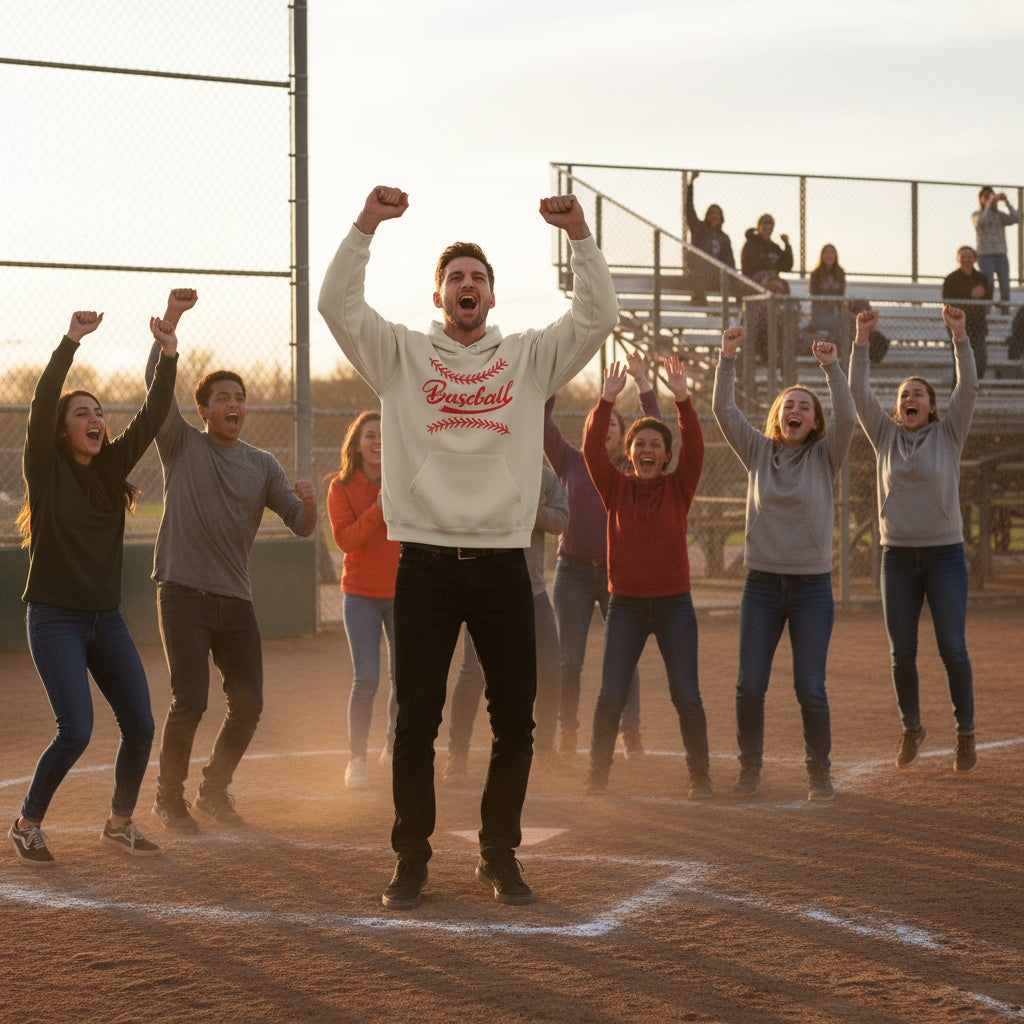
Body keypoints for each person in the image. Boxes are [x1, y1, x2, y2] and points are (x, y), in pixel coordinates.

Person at [318, 186, 618, 911]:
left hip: (503, 565)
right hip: (421, 564)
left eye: (478, 277)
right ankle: (411, 859)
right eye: (455, 276)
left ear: (490, 296)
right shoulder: (400, 355)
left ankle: (497, 855)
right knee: (413, 720)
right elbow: (335, 306)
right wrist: (365, 227)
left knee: (516, 718)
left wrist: (579, 234)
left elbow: (597, 316)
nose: (467, 285)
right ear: (439, 293)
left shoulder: (527, 359)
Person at [10, 310, 179, 866]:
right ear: (62, 429)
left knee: (140, 723)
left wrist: (169, 347)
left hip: (105, 619)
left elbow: (155, 412)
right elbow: (40, 405)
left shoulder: (111, 469)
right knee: (76, 730)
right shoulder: (46, 468)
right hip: (54, 617)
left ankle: (119, 822)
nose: (96, 419)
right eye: (82, 413)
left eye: (99, 412)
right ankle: (27, 822)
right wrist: (70, 343)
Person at [146, 289, 318, 834]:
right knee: (190, 700)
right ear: (203, 410)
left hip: (234, 598)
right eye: (222, 397)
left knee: (248, 705)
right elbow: (157, 396)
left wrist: (311, 502)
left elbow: (300, 525)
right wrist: (170, 331)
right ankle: (167, 798)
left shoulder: (262, 464)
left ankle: (213, 791)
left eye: (239, 397)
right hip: (181, 593)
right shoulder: (180, 444)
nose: (233, 404)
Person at [712, 327, 855, 802]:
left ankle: (819, 772)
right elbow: (722, 411)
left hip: (812, 588)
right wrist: (727, 357)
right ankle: (749, 769)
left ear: (815, 422)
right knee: (749, 685)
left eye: (805, 407)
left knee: (809, 687)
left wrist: (832, 368)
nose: (795, 411)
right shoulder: (758, 451)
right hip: (762, 586)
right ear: (777, 415)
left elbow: (849, 417)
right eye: (788, 405)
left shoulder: (825, 456)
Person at [848, 306, 980, 774]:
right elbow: (858, 393)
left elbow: (968, 387)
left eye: (918, 394)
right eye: (904, 393)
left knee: (952, 647)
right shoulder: (883, 434)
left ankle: (965, 732)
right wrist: (861, 340)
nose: (910, 398)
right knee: (901, 650)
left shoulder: (949, 434)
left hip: (944, 555)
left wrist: (959, 334)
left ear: (930, 406)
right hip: (897, 558)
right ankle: (913, 726)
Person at [582, 356, 709, 797]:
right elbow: (591, 449)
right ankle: (597, 777)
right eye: (640, 445)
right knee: (610, 697)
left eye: (656, 445)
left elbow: (696, 446)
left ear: (666, 455)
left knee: (686, 696)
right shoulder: (614, 486)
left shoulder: (679, 486)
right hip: (626, 608)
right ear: (630, 453)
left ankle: (700, 777)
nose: (648, 450)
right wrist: (606, 400)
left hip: (675, 606)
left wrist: (682, 399)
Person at [544, 350, 659, 760]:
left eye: (615, 424)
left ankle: (631, 729)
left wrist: (644, 384)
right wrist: (555, 372)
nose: (608, 428)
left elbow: (656, 429)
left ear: (624, 437)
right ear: (592, 428)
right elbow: (541, 423)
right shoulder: (571, 462)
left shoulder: (634, 471)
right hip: (572, 573)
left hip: (618, 575)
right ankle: (567, 729)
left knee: (623, 659)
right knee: (568, 661)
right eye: (602, 421)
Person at [443, 465, 568, 779]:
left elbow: (561, 519)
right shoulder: (483, 464)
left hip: (533, 589)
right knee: (474, 673)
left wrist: (531, 507)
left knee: (551, 669)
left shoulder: (540, 473)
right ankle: (457, 754)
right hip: (488, 588)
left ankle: (545, 746)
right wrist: (516, 502)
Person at [327, 411, 399, 790]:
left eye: (384, 435)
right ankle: (357, 759)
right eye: (370, 435)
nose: (377, 442)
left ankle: (392, 745)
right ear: (357, 444)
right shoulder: (341, 487)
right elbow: (345, 540)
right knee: (367, 677)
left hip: (402, 592)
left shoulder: (403, 480)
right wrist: (379, 508)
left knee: (405, 678)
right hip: (361, 596)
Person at [684, 171, 735, 305]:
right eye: (711, 213)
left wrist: (734, 275)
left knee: (737, 279)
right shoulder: (698, 228)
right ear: (707, 216)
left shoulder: (724, 238)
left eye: (717, 214)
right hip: (700, 274)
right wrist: (690, 185)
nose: (714, 216)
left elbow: (730, 261)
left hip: (717, 276)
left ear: (721, 218)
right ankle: (699, 299)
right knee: (698, 274)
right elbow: (689, 209)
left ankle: (738, 305)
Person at [942, 246, 991, 381]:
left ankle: (975, 389)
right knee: (961, 361)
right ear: (958, 259)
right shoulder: (951, 279)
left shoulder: (982, 278)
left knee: (980, 359)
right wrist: (970, 294)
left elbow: (989, 298)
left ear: (974, 259)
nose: (966, 260)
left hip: (978, 323)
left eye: (969, 257)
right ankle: (957, 394)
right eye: (963, 257)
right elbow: (946, 300)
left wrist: (983, 293)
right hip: (958, 324)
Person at [971, 186, 1019, 308]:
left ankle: (1005, 312)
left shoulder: (1000, 215)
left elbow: (1016, 218)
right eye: (986, 196)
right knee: (988, 285)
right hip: (985, 256)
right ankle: (986, 312)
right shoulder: (977, 215)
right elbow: (982, 221)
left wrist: (1006, 202)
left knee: (1004, 285)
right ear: (980, 199)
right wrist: (988, 205)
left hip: (1001, 255)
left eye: (991, 195)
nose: (989, 198)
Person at [807, 244, 846, 339]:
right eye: (826, 252)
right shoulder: (815, 274)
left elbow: (841, 295)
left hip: (836, 314)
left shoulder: (840, 273)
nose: (829, 255)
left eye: (832, 252)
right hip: (820, 314)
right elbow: (813, 295)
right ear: (821, 255)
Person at [740, 214, 793, 281]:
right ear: (758, 227)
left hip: (772, 280)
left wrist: (787, 245)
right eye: (765, 224)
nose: (768, 227)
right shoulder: (751, 244)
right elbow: (748, 267)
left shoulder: (775, 247)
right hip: (754, 281)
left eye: (770, 225)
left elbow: (787, 266)